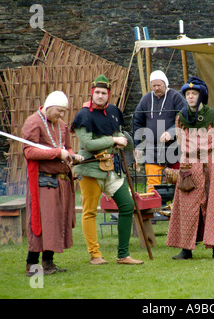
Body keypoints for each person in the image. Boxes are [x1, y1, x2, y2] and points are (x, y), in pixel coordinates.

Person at [72, 75, 143, 265]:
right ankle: (95, 255)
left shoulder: (112, 111)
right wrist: (113, 140)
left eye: (104, 93)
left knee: (128, 206)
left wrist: (122, 139)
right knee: (90, 212)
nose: (100, 96)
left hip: (111, 168)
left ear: (108, 94)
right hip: (90, 169)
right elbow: (88, 143)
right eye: (97, 93)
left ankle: (123, 255)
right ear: (92, 93)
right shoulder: (83, 115)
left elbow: (118, 131)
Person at [22, 91, 83, 276]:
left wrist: (72, 155)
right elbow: (29, 152)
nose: (62, 115)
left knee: (56, 222)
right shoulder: (33, 123)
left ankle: (48, 263)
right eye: (59, 111)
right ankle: (32, 266)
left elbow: (67, 147)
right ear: (48, 107)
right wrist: (57, 153)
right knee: (42, 222)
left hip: (62, 182)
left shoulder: (62, 125)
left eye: (64, 111)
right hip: (43, 183)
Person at [166, 76, 214, 259]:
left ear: (201, 95)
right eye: (188, 94)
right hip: (189, 165)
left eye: (194, 93)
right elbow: (179, 140)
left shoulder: (213, 117)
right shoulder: (181, 117)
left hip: (210, 163)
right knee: (187, 205)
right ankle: (186, 249)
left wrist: (212, 159)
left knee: (213, 204)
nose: (190, 97)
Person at [133, 70, 187, 192]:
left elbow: (184, 119)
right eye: (154, 86)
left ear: (165, 84)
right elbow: (137, 122)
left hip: (174, 147)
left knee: (178, 181)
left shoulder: (176, 97)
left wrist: (171, 132)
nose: (156, 88)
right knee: (152, 183)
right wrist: (137, 146)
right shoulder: (146, 99)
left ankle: (177, 209)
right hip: (152, 148)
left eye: (159, 85)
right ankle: (154, 209)